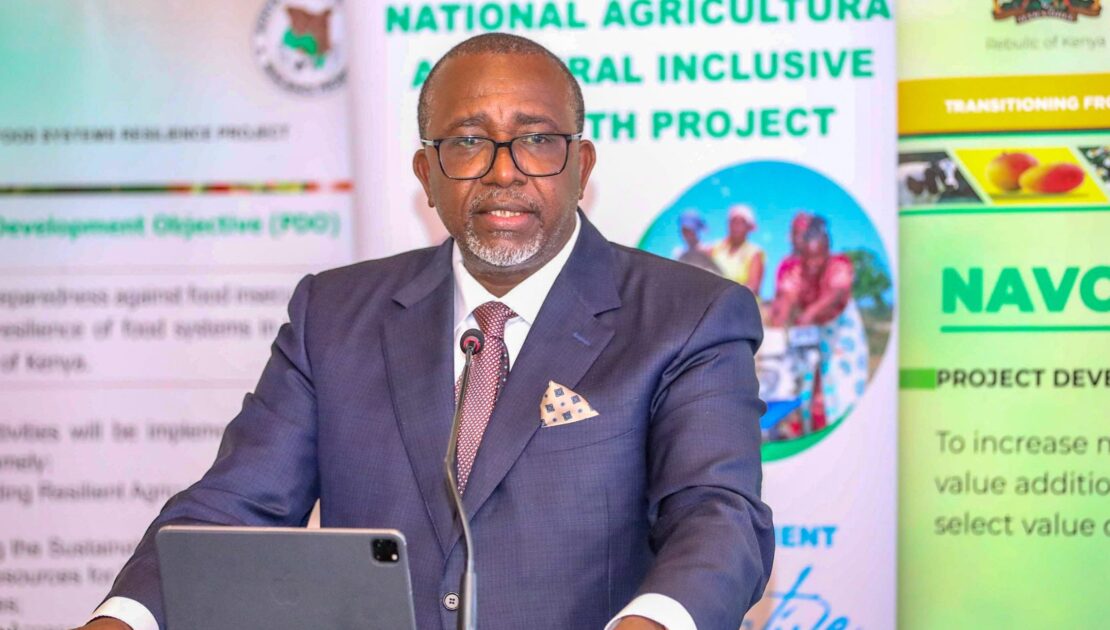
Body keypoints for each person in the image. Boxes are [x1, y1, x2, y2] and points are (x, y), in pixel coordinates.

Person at [80, 33, 772, 630]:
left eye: (537, 140)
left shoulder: (688, 315)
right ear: (427, 174)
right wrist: (126, 618)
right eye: (468, 142)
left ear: (581, 166)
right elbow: (235, 508)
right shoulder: (334, 315)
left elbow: (716, 514)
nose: (504, 172)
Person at [769, 215, 868, 432]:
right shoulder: (795, 270)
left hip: (841, 335)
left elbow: (835, 292)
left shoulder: (839, 265)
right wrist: (777, 329)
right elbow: (786, 299)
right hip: (809, 333)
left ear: (827, 250)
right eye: (808, 258)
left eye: (818, 257)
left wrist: (811, 312)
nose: (813, 264)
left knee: (840, 388)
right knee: (805, 386)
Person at [710, 204, 764, 298]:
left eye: (741, 223)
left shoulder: (755, 253)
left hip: (741, 303)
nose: (736, 226)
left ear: (748, 227)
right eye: (733, 222)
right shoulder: (716, 248)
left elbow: (753, 287)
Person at [673, 209, 722, 275]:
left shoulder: (709, 249)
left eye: (689, 229)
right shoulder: (680, 254)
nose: (686, 233)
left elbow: (722, 272)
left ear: (696, 230)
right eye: (684, 230)